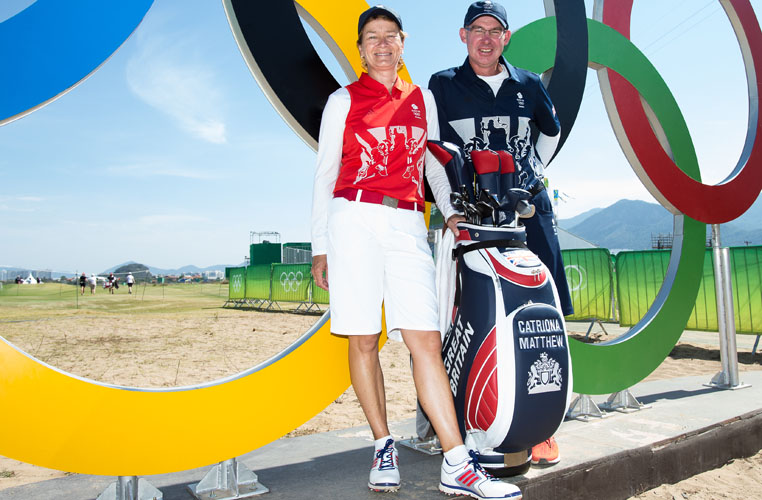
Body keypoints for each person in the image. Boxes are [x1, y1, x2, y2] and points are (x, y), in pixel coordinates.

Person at [310, 5, 520, 499]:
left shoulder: (422, 97)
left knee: (424, 339)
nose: (382, 44)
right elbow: (323, 175)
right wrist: (320, 246)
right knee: (363, 339)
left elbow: (434, 165)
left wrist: (449, 211)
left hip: (407, 222)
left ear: (403, 43)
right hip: (353, 219)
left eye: (390, 36)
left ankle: (457, 463)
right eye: (371, 38)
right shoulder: (342, 101)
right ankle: (383, 446)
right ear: (360, 50)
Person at [428, 0, 571, 467]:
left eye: (495, 30)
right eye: (477, 29)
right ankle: (462, 417)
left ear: (506, 37)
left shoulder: (528, 84)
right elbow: (431, 149)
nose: (486, 38)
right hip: (472, 217)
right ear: (463, 35)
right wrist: (452, 205)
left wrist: (528, 176)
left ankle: (542, 424)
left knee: (543, 313)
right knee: (465, 315)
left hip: (527, 213)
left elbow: (550, 134)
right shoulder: (443, 85)